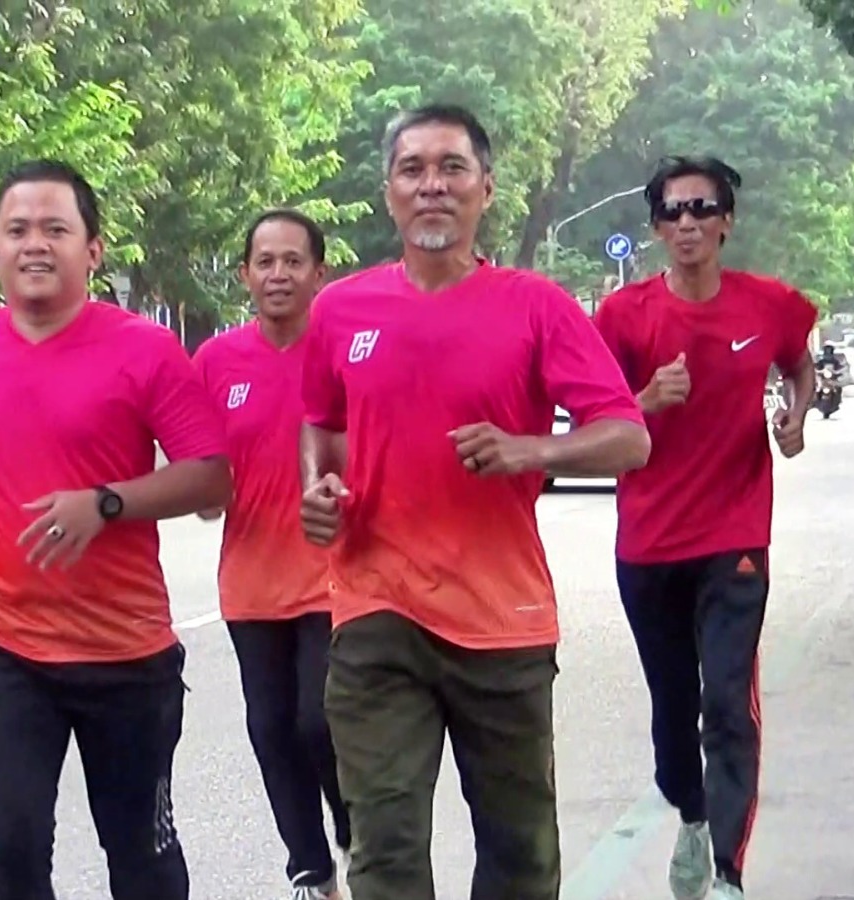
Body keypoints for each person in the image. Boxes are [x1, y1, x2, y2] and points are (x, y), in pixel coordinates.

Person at [298, 103, 650, 900]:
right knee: (383, 850)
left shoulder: (535, 305)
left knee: (520, 854)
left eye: (451, 169)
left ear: (485, 189)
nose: (432, 186)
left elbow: (628, 436)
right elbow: (319, 422)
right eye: (412, 170)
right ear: (389, 192)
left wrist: (535, 450)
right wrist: (316, 489)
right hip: (374, 610)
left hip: (503, 620)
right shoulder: (341, 310)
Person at [0, 159, 232, 900]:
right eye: (16, 230)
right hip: (4, 649)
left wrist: (106, 503)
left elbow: (211, 473)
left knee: (141, 858)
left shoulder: (144, 350)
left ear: (93, 250)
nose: (35, 245)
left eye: (56, 228)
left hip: (127, 654)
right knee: (9, 852)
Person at [592, 155, 819, 900]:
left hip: (734, 535)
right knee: (672, 712)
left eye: (702, 208)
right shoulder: (623, 317)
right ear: (656, 227)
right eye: (673, 211)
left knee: (726, 700)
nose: (687, 223)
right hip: (649, 541)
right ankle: (690, 820)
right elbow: (596, 415)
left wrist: (795, 412)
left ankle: (727, 871)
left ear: (726, 220)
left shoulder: (768, 305)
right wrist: (646, 398)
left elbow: (798, 363)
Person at [192, 209, 350, 900]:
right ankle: (312, 872)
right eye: (266, 262)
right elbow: (201, 472)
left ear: (320, 273)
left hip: (336, 575)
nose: (278, 274)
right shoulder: (215, 362)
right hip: (251, 581)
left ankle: (357, 834)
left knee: (320, 720)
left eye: (293, 261)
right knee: (269, 729)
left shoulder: (345, 350)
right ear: (245, 275)